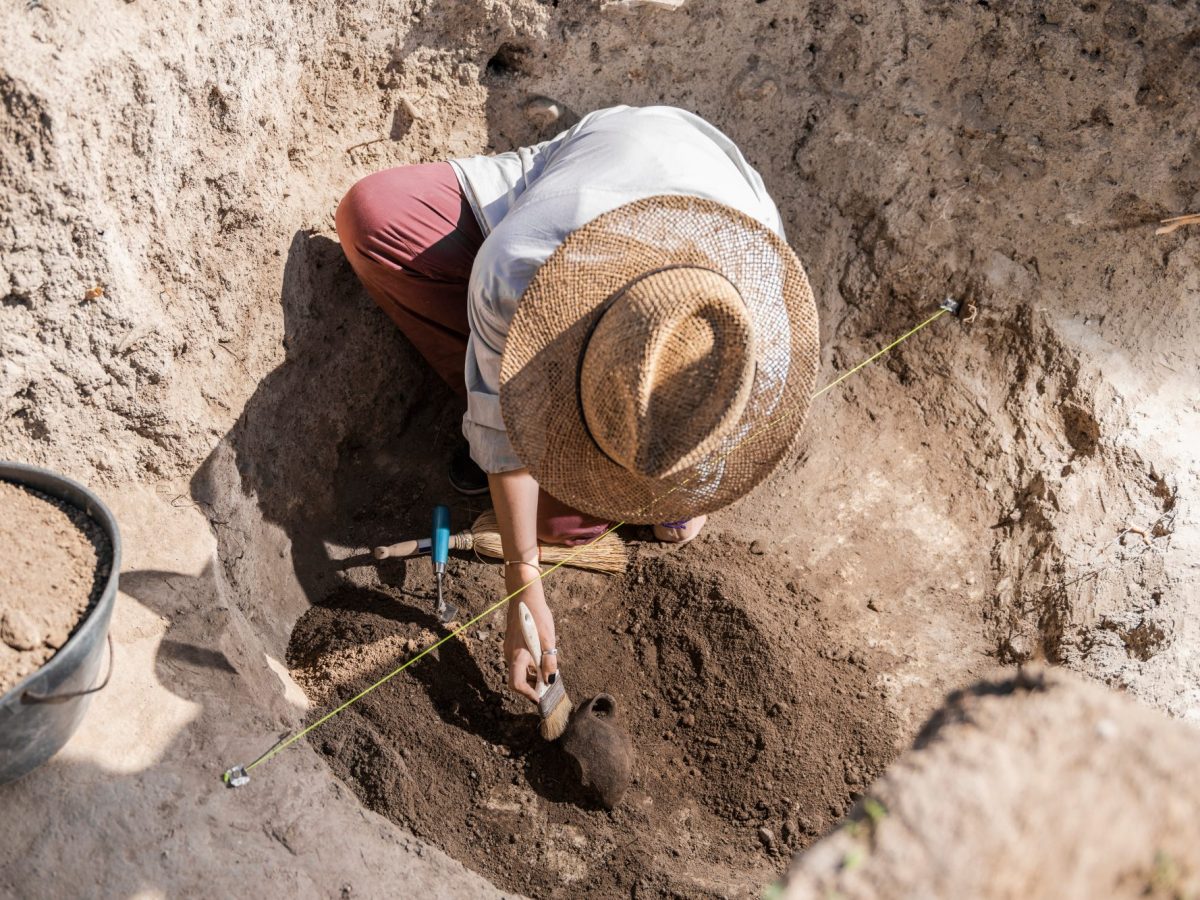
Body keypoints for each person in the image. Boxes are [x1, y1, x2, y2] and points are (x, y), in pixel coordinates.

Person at [335, 105, 818, 709]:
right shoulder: (519, 266)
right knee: (373, 214)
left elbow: (720, 447)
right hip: (588, 164)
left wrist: (687, 500)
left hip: (708, 183)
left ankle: (614, 477)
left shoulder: (757, 343)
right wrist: (522, 577)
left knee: (624, 516)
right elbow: (502, 443)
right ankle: (543, 415)